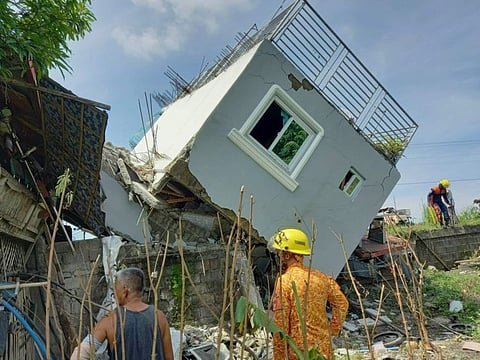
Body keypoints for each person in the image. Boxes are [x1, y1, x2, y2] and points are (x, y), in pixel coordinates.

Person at [269, 228, 348, 360]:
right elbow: (342, 304)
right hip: (323, 350)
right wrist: (332, 330)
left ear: (287, 255)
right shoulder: (322, 277)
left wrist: (279, 356)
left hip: (299, 351)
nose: (278, 257)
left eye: (279, 253)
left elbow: (280, 324)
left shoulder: (285, 281)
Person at [70, 267, 174, 360]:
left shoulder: (110, 320)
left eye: (116, 289)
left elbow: (80, 354)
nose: (114, 294)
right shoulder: (159, 316)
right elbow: (169, 357)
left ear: (125, 291)